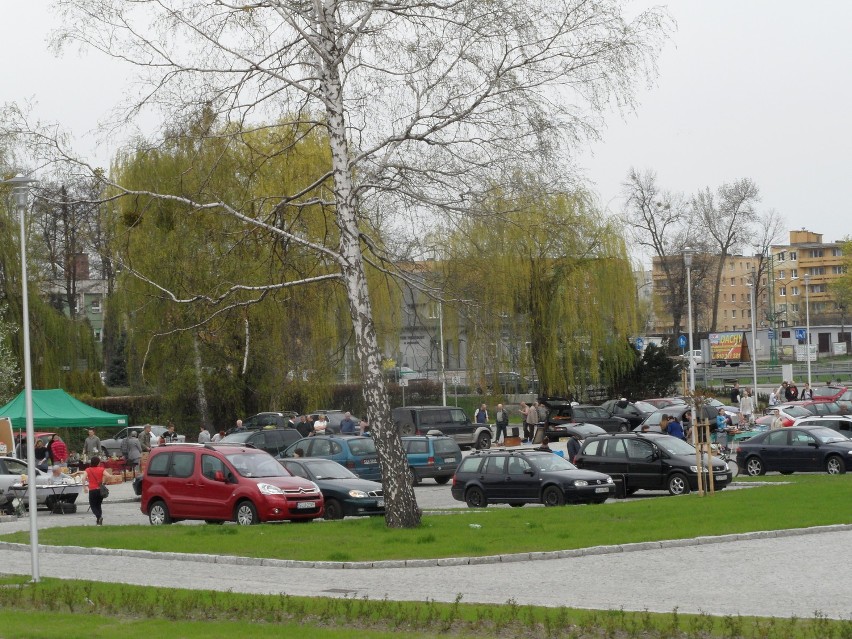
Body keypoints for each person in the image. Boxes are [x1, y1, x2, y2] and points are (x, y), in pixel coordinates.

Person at [84, 456, 113, 526]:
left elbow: (83, 478)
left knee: (92, 505)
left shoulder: (88, 470)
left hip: (92, 490)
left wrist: (84, 487)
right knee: (98, 505)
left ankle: (99, 517)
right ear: (98, 463)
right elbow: (109, 476)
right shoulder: (101, 469)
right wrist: (104, 482)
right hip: (100, 490)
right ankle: (98, 521)